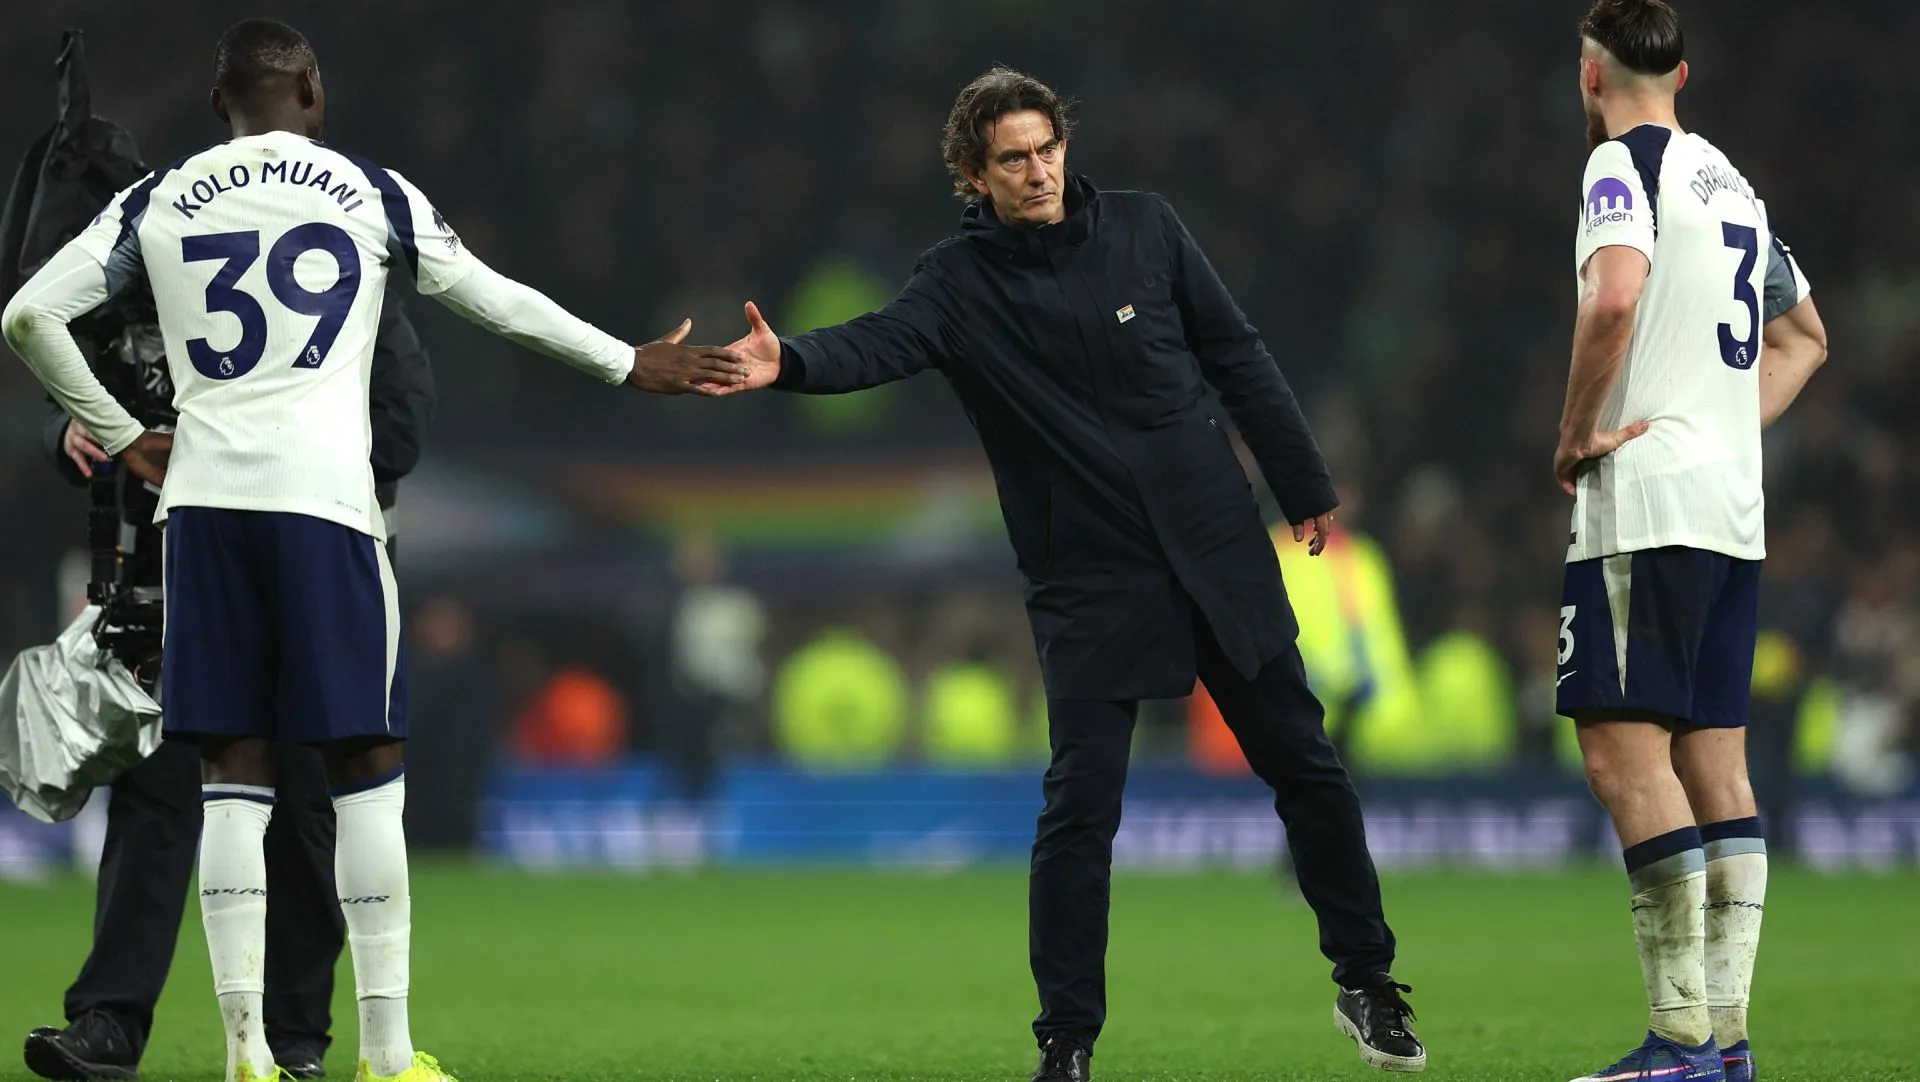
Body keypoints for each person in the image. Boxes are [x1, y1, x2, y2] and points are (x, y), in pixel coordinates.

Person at [2, 18, 744, 1082]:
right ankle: (386, 1054)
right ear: (312, 91)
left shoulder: (160, 198)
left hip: (203, 515)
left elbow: (30, 316)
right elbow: (500, 302)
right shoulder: (371, 194)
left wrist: (125, 437)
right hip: (327, 512)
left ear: (220, 106)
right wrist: (630, 363)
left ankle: (248, 1055)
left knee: (228, 780)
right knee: (364, 780)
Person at [719, 67, 1421, 1080]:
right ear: (973, 174)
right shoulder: (957, 287)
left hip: (1216, 543)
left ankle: (1370, 982)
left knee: (1306, 765)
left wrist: (1302, 478)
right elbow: (878, 343)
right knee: (1081, 804)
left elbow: (1238, 353)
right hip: (1091, 575)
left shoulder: (1147, 228)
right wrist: (790, 360)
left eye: (1048, 148)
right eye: (1014, 157)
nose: (1039, 170)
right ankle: (1068, 1039)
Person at [25, 284, 432, 1082]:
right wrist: (64, 428)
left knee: (308, 812)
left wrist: (251, 457)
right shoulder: (178, 286)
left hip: (312, 575)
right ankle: (109, 1025)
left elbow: (403, 431)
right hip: (173, 584)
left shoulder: (350, 291)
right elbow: (72, 378)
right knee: (156, 801)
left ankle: (293, 1041)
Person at [1549, 4, 1827, 1082]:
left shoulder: (1620, 167)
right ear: (1684, 73)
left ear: (1589, 74)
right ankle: (1728, 1040)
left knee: (1625, 750)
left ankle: (1678, 1039)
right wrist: (1721, 422)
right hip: (1731, 505)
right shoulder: (1734, 184)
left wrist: (1576, 430)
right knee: (1715, 756)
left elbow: (1614, 294)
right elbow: (1808, 336)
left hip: (1647, 501)